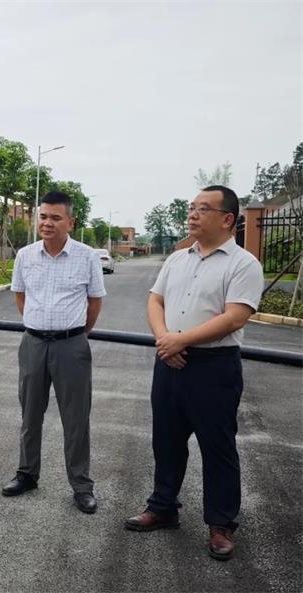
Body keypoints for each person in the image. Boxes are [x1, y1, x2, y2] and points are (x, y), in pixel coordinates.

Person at [124, 186, 264, 561]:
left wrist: (179, 340)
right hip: (169, 362)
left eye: (203, 208)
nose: (193, 214)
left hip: (213, 367)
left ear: (228, 219)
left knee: (217, 446)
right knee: (166, 441)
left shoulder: (243, 264)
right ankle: (163, 508)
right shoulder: (176, 260)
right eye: (192, 207)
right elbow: (155, 300)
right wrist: (165, 341)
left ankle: (220, 524)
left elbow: (234, 317)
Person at [1, 191, 106, 514]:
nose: (47, 223)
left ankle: (81, 486)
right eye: (43, 216)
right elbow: (21, 297)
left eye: (55, 218)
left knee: (76, 419)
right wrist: (38, 325)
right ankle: (27, 474)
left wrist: (76, 334)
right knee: (30, 414)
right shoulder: (25, 256)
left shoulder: (87, 257)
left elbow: (94, 302)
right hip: (33, 343)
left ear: (70, 222)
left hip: (71, 346)